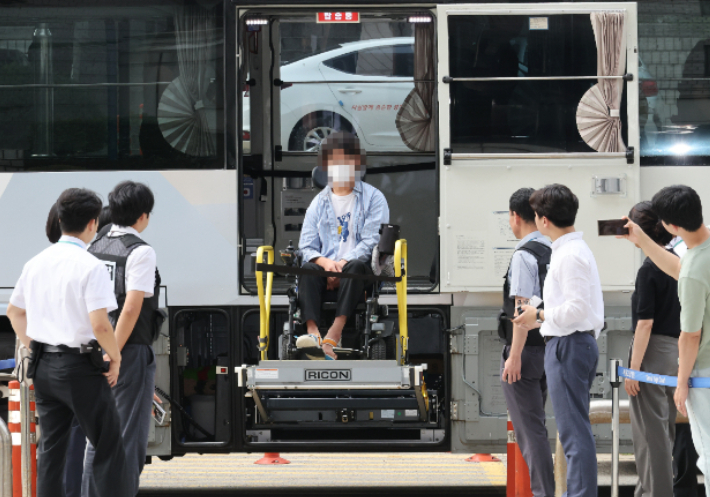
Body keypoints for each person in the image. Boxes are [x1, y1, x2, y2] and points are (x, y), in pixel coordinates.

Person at [7, 188, 130, 497]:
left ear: (59, 220)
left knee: (51, 450)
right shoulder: (90, 266)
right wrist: (114, 357)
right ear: (93, 224)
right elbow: (100, 325)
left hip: (44, 367)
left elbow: (14, 311)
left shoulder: (35, 262)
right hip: (80, 368)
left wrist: (35, 346)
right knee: (108, 444)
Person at [514, 184, 604, 497]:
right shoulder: (570, 251)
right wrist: (539, 311)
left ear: (543, 220)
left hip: (568, 345)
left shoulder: (569, 255)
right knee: (573, 432)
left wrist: (538, 317)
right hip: (572, 344)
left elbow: (577, 308)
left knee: (574, 434)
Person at [620, 185, 710, 483]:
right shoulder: (696, 257)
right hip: (693, 363)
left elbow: (690, 335)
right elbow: (681, 269)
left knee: (699, 452)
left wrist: (682, 382)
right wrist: (644, 241)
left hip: (698, 367)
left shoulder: (692, 269)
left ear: (671, 226)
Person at [82, 181, 160, 497]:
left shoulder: (95, 245)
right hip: (127, 351)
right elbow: (130, 309)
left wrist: (102, 350)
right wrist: (115, 353)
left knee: (96, 438)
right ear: (143, 216)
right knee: (127, 439)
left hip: (95, 349)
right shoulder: (139, 251)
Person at [297, 131, 389, 360]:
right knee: (307, 269)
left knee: (355, 266)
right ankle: (313, 334)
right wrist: (325, 263)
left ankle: (334, 333)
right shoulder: (318, 203)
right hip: (325, 269)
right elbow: (306, 246)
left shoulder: (374, 198)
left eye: (346, 159)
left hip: (358, 269)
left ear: (356, 162)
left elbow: (372, 241)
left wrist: (341, 263)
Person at [499, 188, 554, 497]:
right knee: (539, 427)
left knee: (531, 433)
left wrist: (514, 355)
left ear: (515, 216)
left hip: (527, 351)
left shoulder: (524, 254)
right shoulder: (555, 248)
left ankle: (543, 492)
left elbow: (521, 309)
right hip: (552, 347)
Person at [623, 201, 680, 497]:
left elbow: (645, 324)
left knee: (650, 436)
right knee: (663, 431)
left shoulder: (649, 269)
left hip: (651, 353)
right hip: (674, 353)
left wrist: (633, 368)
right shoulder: (676, 261)